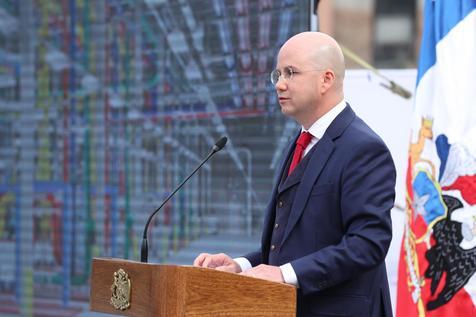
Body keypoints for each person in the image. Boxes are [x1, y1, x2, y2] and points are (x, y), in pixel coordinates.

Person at [193, 31, 396, 317]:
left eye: (291, 73)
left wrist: (283, 274)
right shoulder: (299, 142)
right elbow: (291, 247)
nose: (280, 84)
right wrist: (241, 266)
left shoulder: (363, 148)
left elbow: (367, 244)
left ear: (326, 79)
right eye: (277, 74)